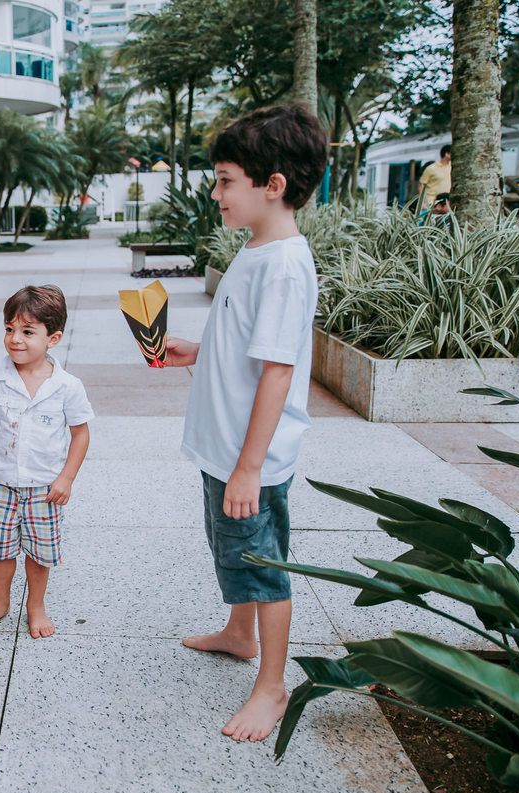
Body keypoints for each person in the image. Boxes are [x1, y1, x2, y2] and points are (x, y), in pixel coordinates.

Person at [164, 105, 328, 743]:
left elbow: (279, 373)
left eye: (226, 180)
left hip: (248, 457)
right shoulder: (257, 251)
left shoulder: (283, 265)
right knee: (231, 550)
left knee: (264, 566)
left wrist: (250, 468)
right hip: (227, 449)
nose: (216, 193)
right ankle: (239, 633)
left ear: (273, 185)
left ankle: (273, 687)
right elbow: (249, 344)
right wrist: (198, 350)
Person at [0, 285, 93, 639]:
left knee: (40, 552)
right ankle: (1, 601)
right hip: (1, 484)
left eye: (28, 331)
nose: (15, 339)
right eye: (9, 329)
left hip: (45, 488)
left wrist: (67, 478)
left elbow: (80, 434)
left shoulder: (67, 386)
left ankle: (36, 605)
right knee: (0, 550)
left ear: (53, 338)